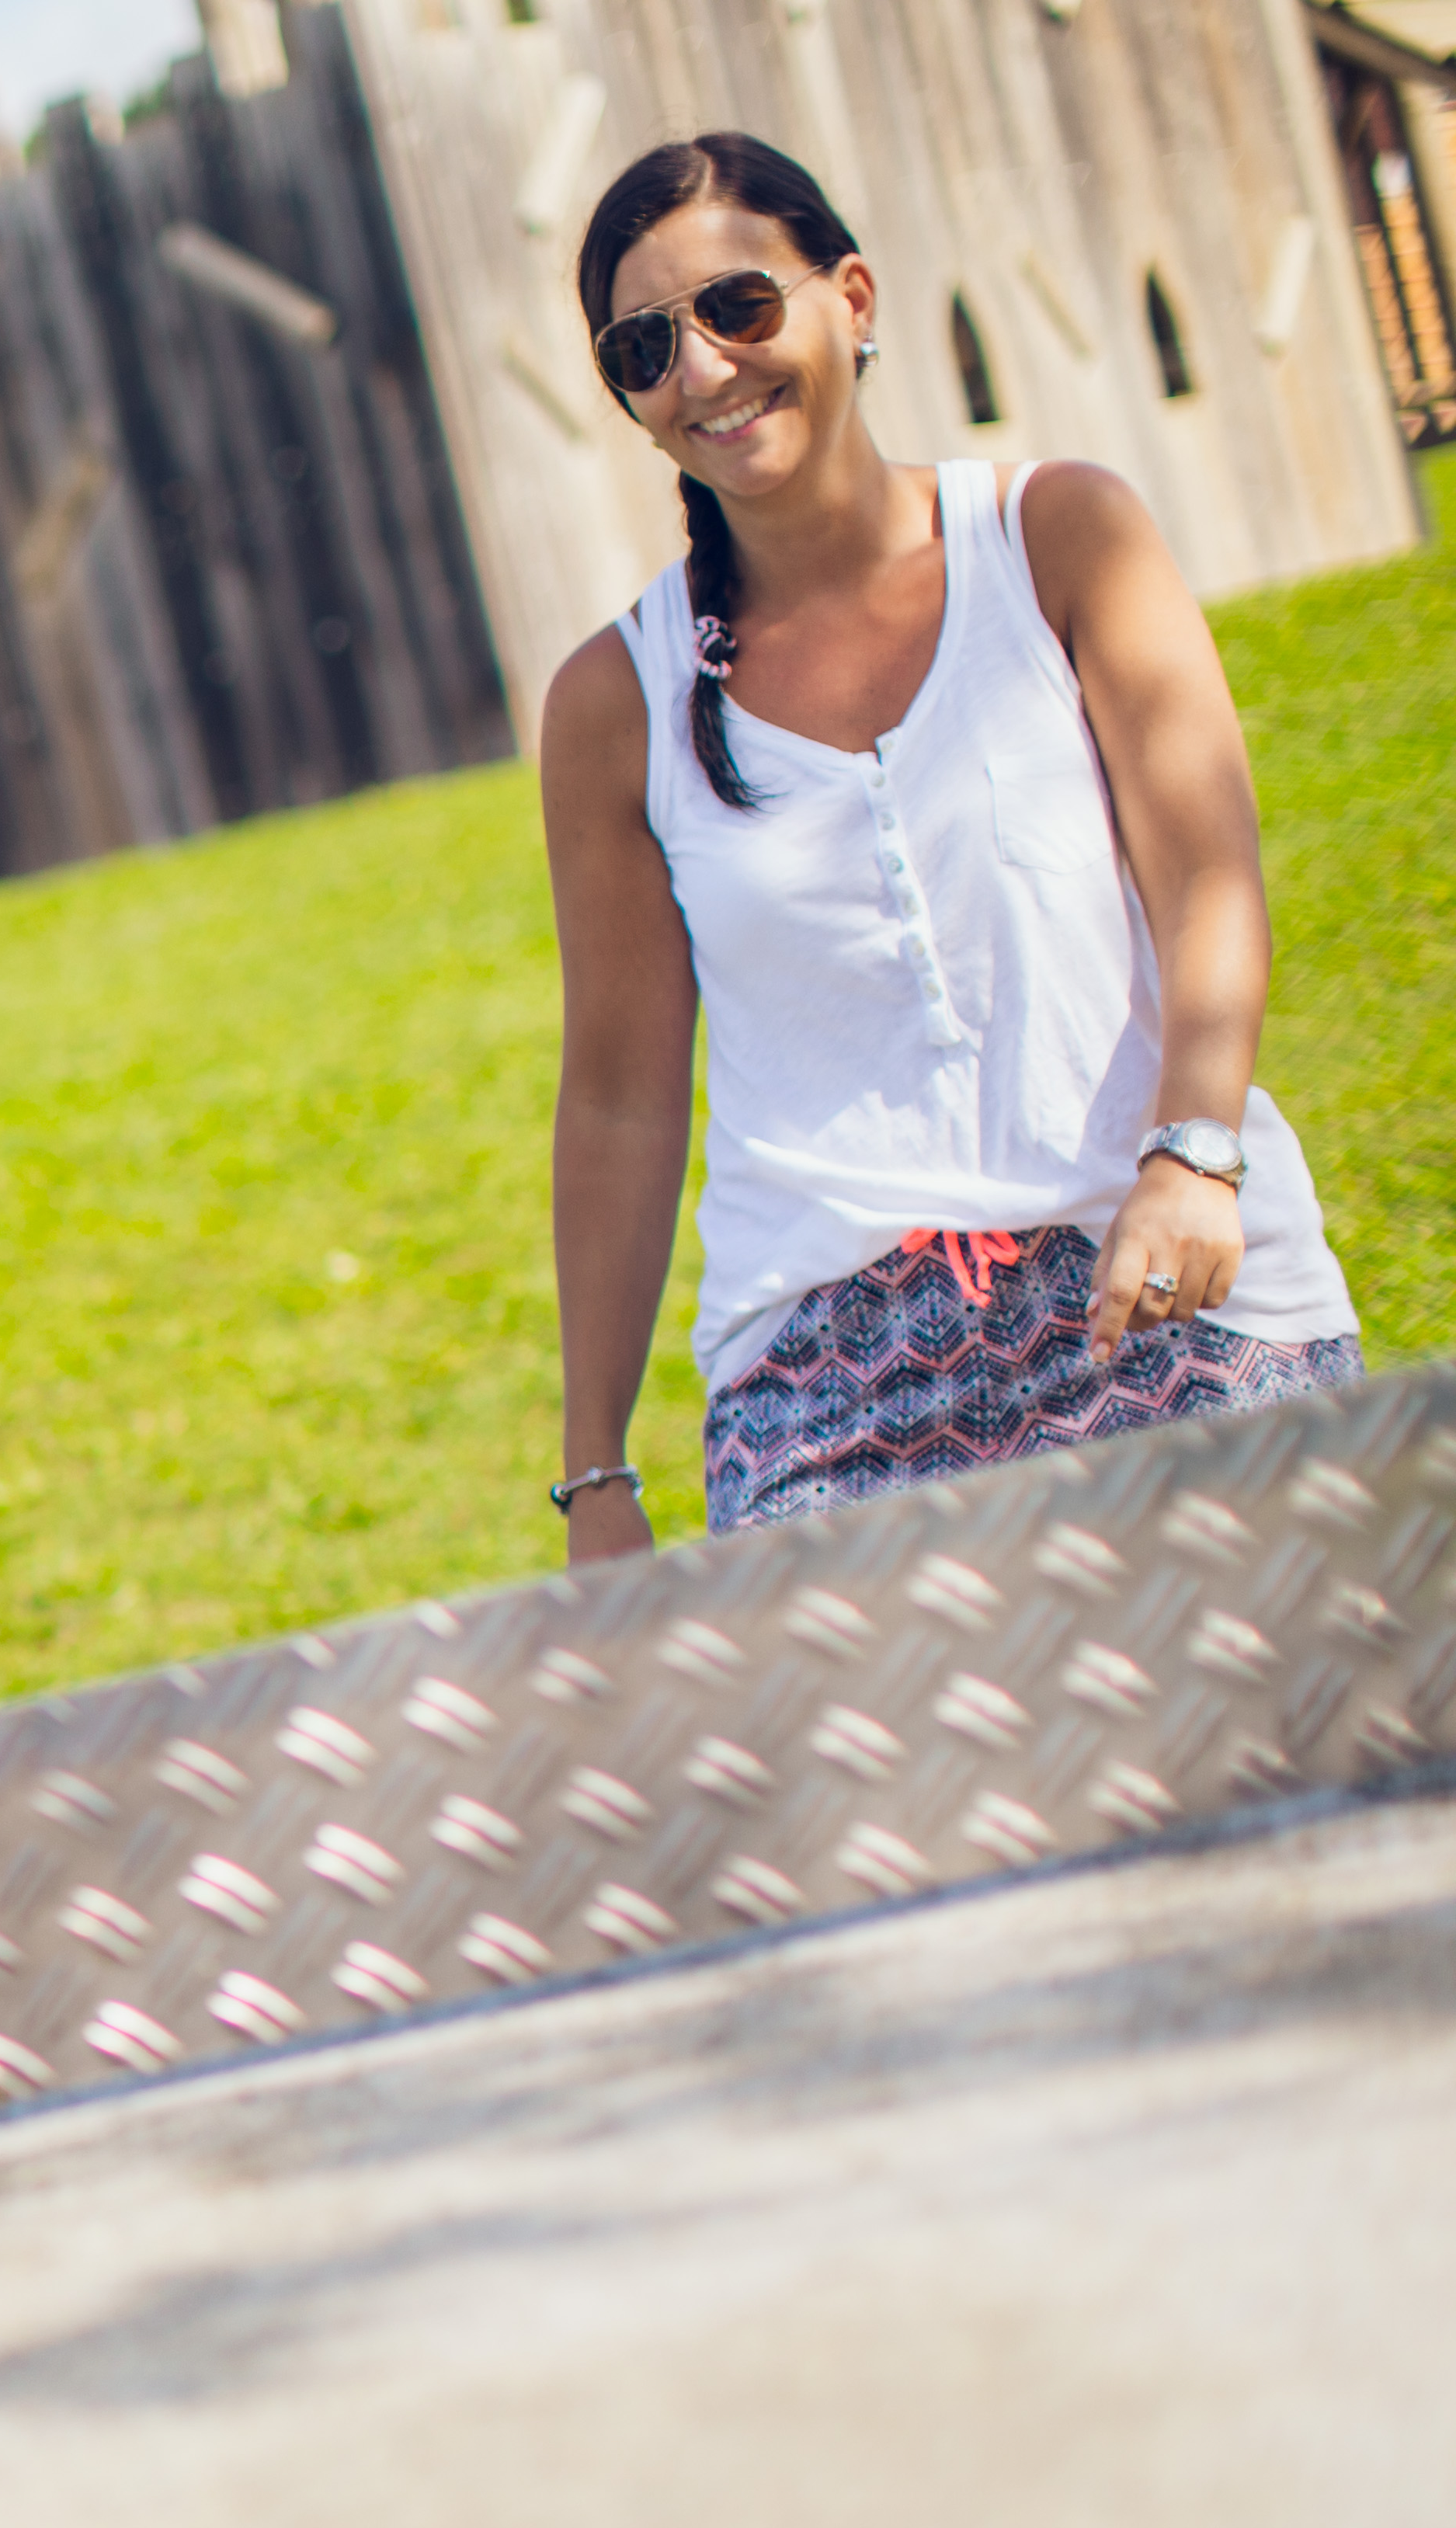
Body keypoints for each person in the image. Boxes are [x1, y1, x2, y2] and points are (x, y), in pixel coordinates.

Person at [538, 134, 1361, 1561]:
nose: (707, 370)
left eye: (741, 307)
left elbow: (1207, 878)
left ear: (852, 297)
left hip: (1155, 1264)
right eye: (646, 345)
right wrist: (595, 1471)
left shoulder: (1060, 537)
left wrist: (1195, 1154)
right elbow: (619, 1095)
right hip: (822, 1381)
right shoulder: (615, 704)